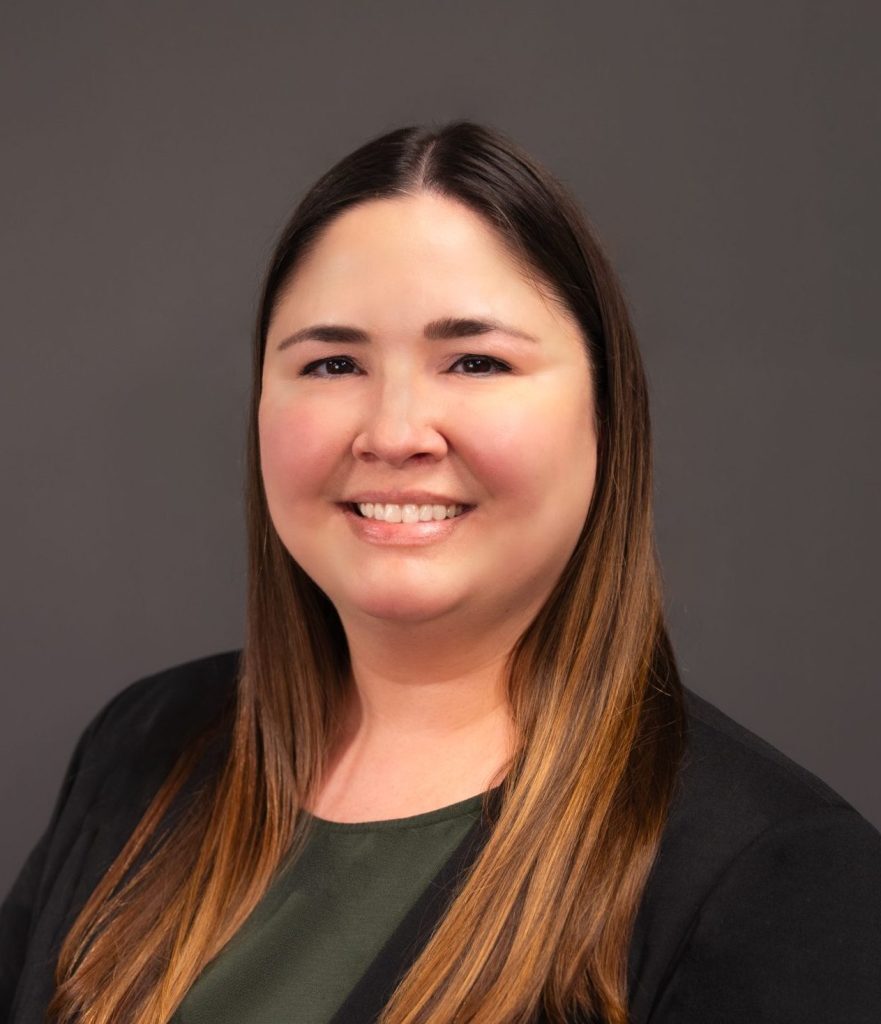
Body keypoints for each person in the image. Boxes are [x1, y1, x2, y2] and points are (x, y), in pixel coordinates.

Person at [1, 120, 879, 1024]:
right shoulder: (146, 744)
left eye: (474, 361)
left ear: (606, 416)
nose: (392, 431)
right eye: (333, 362)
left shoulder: (774, 878)